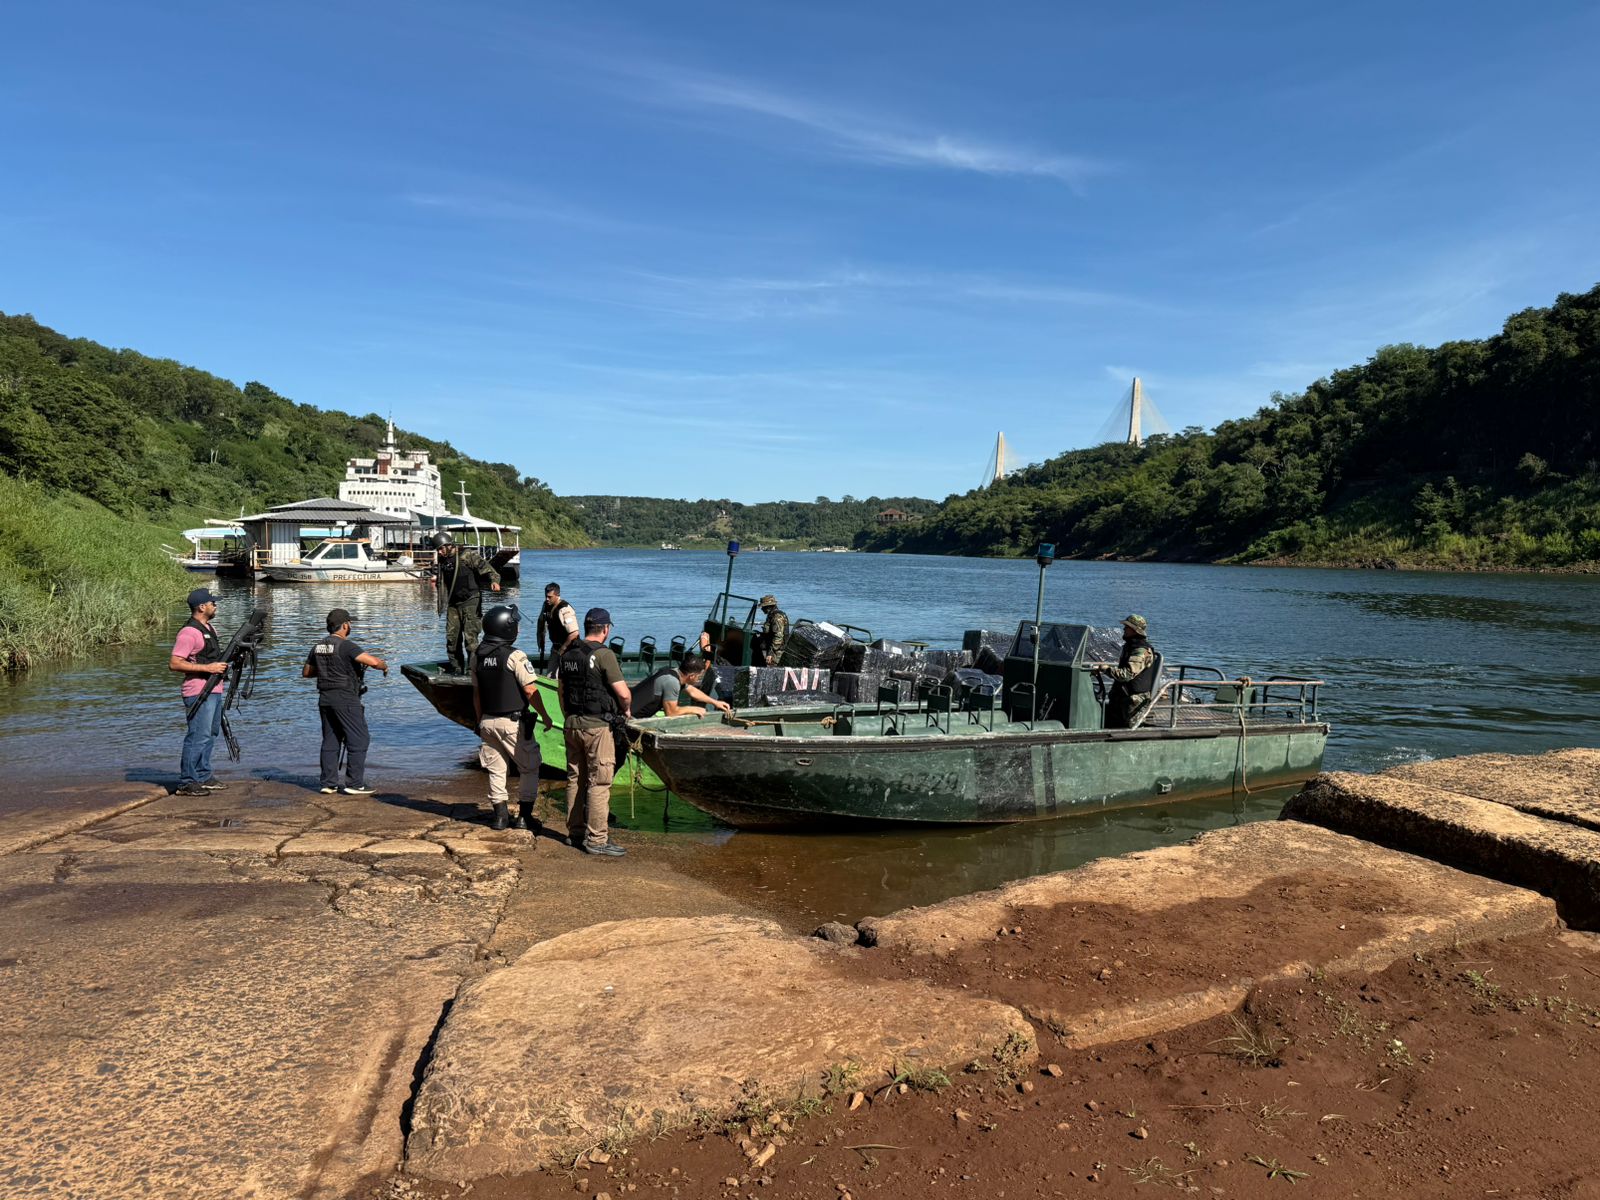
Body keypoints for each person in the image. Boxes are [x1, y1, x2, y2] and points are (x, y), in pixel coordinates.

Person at [557, 607, 632, 856]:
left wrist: (567, 716)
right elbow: (623, 693)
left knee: (575, 779)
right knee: (599, 782)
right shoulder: (604, 655)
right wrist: (627, 710)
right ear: (606, 629)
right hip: (597, 726)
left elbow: (561, 690)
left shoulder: (567, 654)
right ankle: (597, 839)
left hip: (571, 724)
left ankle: (574, 833)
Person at [472, 603, 554, 831]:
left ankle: (500, 817)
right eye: (515, 624)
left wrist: (478, 722)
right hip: (513, 722)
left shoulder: (476, 656)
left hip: (487, 721)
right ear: (506, 629)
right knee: (530, 767)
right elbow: (530, 690)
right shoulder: (515, 656)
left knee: (496, 769)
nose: (517, 628)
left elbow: (477, 693)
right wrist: (545, 716)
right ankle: (524, 817)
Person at [302, 608, 388, 795]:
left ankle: (328, 783)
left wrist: (328, 672)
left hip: (325, 699)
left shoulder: (318, 646)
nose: (351, 626)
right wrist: (383, 665)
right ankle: (355, 784)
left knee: (331, 740)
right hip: (345, 698)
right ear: (345, 625)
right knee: (359, 739)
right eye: (350, 623)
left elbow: (306, 673)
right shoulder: (347, 645)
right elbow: (372, 662)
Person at [168, 587, 232, 796]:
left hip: (214, 689)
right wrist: (208, 668)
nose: (216, 605)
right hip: (197, 691)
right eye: (213, 603)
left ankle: (203, 776)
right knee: (198, 735)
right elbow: (175, 663)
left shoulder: (211, 629)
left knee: (210, 733)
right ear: (201, 607)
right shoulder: (189, 632)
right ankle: (187, 781)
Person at [431, 531, 500, 673]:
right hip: (453, 604)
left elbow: (488, 569)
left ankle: (472, 670)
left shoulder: (467, 555)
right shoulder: (442, 560)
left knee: (470, 639)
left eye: (441, 548)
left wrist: (494, 581)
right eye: (438, 549)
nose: (440, 552)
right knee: (452, 639)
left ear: (449, 545)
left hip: (470, 601)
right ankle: (457, 668)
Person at [1097, 614, 1158, 730]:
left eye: (1127, 627)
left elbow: (1127, 674)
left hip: (1133, 701)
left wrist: (1105, 669)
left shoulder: (1141, 650)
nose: (1124, 629)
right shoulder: (1129, 647)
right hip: (1121, 697)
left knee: (1131, 731)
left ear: (1135, 630)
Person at [631, 655, 733, 719]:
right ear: (691, 676)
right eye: (698, 676)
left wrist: (715, 702)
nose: (698, 680)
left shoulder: (675, 673)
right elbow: (671, 713)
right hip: (630, 717)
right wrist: (694, 709)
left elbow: (692, 691)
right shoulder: (672, 682)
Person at [536, 582, 580, 668]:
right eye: (545, 596)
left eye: (549, 597)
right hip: (556, 647)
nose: (547, 599)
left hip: (570, 649)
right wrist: (540, 641)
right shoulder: (546, 605)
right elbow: (540, 622)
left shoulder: (565, 609)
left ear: (557, 595)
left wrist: (562, 649)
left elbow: (574, 633)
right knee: (551, 676)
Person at [756, 594, 789, 666]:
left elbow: (778, 637)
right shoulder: (771, 615)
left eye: (763, 607)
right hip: (773, 648)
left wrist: (771, 654)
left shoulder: (777, 617)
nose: (762, 609)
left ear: (768, 607)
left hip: (777, 652)